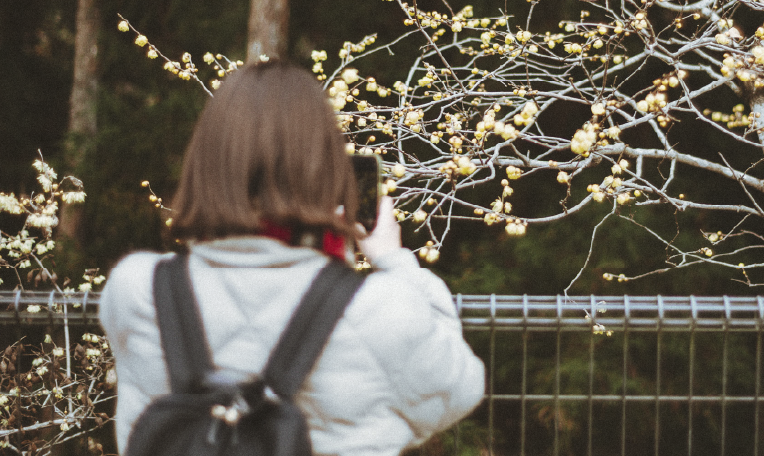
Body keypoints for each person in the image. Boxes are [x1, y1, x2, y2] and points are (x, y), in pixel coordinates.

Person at [99, 60, 486, 456]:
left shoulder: (136, 290)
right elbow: (460, 389)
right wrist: (392, 261)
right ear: (328, 172)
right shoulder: (380, 308)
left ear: (206, 164)